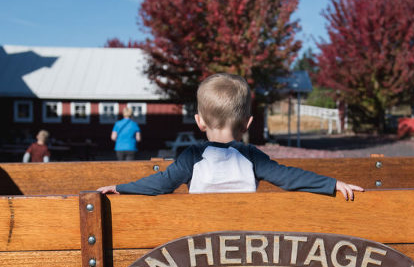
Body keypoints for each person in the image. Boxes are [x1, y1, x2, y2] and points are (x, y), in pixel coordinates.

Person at [97, 73, 363, 200]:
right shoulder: (251, 157)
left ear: (199, 122)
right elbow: (290, 177)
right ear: (247, 124)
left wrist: (121, 187)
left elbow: (162, 184)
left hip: (197, 245)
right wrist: (332, 184)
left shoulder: (192, 156)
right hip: (244, 241)